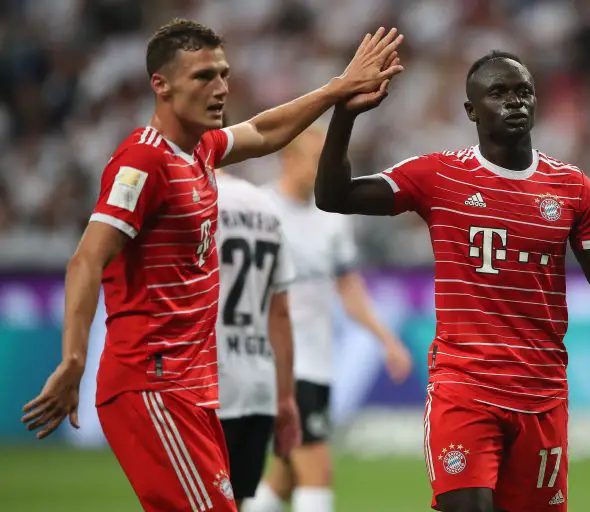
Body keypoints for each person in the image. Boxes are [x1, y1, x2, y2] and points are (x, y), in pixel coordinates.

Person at [20, 19, 403, 512]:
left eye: (223, 74)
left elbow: (265, 130)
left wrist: (336, 89)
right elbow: (87, 258)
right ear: (161, 84)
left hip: (193, 388)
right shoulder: (143, 161)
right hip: (153, 382)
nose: (220, 87)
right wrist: (73, 359)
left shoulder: (200, 150)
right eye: (203, 76)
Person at [313, 50, 590, 512]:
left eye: (524, 92)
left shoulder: (572, 188)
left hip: (542, 393)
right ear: (472, 110)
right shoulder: (437, 175)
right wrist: (344, 116)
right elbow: (334, 197)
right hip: (465, 387)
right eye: (498, 93)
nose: (515, 102)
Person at [247, 127, 413, 512]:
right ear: (288, 158)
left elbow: (349, 289)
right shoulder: (261, 210)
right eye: (314, 157)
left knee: (286, 476)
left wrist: (386, 340)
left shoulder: (333, 218)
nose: (325, 167)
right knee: (317, 470)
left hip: (317, 364)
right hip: (280, 363)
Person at [215, 168, 300, 510]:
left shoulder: (189, 197)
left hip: (203, 383)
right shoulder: (265, 206)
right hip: (257, 385)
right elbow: (279, 313)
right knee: (235, 502)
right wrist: (285, 397)